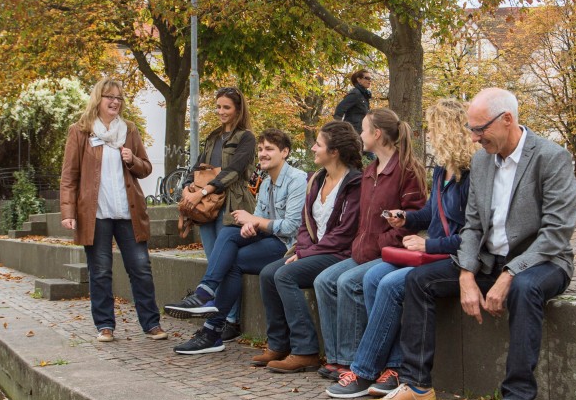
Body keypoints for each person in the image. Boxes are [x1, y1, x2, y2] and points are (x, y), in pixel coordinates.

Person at [364, 88, 576, 400]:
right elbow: (473, 225)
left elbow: (556, 233)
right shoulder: (481, 161)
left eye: (480, 129)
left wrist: (509, 274)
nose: (475, 137)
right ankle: (418, 386)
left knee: (524, 289)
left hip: (543, 261)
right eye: (471, 129)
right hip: (487, 260)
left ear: (508, 119)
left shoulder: (551, 158)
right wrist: (466, 273)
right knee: (418, 281)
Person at [326, 99, 475, 398]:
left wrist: (428, 243)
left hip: (448, 255)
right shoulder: (440, 170)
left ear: (448, 131)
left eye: (433, 128)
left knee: (390, 282)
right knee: (370, 277)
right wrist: (405, 218)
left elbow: (471, 235)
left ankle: (364, 369)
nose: (429, 134)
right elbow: (428, 214)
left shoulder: (471, 174)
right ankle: (392, 366)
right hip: (428, 251)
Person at [167, 129, 307, 354]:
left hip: (288, 246)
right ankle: (206, 296)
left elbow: (292, 227)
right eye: (260, 149)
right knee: (229, 232)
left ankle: (210, 326)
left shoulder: (297, 179)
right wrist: (250, 226)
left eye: (269, 149)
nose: (262, 154)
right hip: (269, 238)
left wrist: (254, 220)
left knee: (232, 260)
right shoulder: (266, 182)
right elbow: (260, 217)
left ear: (285, 152)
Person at [313, 108, 426, 377]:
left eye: (363, 130)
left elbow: (415, 217)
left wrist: (382, 241)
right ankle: (337, 355)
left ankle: (353, 359)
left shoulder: (407, 169)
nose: (360, 136)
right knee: (323, 281)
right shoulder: (369, 172)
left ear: (377, 134)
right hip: (363, 252)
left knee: (349, 282)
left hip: (389, 252)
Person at [59, 78, 167, 343]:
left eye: (119, 98)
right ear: (98, 99)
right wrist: (68, 212)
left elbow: (146, 168)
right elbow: (69, 176)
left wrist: (133, 160)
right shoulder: (80, 131)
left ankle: (151, 324)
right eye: (110, 96)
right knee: (100, 270)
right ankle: (105, 325)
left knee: (141, 268)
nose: (115, 102)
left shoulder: (129, 130)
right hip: (94, 214)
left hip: (127, 212)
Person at [253, 121, 363, 372]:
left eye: (319, 144)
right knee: (268, 274)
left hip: (339, 254)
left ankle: (306, 351)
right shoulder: (316, 180)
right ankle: (279, 344)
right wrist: (302, 249)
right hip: (313, 251)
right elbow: (305, 224)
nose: (313, 148)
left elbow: (345, 233)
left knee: (285, 275)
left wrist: (305, 254)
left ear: (334, 152)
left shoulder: (355, 183)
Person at [179, 87, 257, 341]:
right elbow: (199, 166)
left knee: (225, 263)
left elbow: (234, 170)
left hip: (232, 204)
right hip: (207, 207)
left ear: (237, 109)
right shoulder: (213, 136)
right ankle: (218, 316)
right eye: (218, 107)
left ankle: (230, 321)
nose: (221, 112)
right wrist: (187, 188)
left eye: (227, 107)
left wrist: (201, 192)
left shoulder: (246, 137)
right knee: (214, 260)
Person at [333, 69, 373, 134]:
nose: (369, 80)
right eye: (367, 78)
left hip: (361, 131)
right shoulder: (356, 94)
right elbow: (340, 109)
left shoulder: (364, 95)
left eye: (370, 78)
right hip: (353, 132)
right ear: (359, 80)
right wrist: (338, 129)